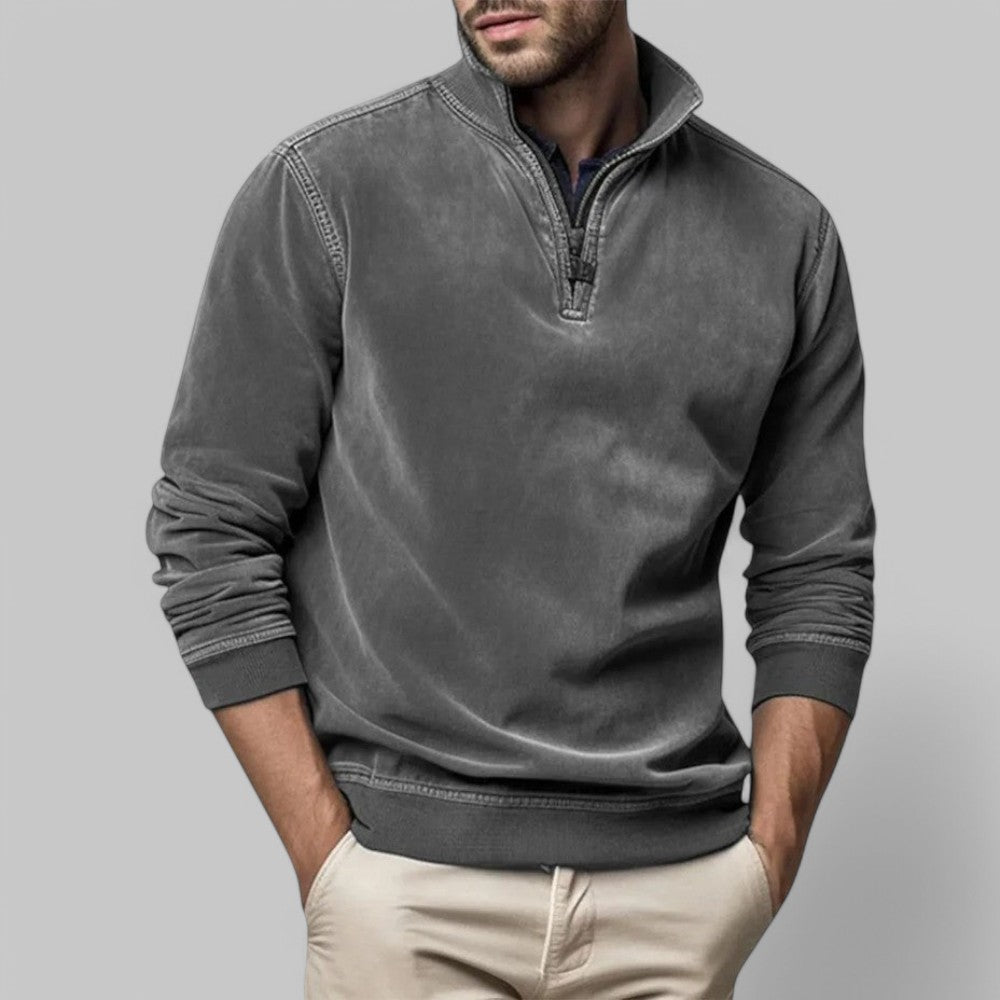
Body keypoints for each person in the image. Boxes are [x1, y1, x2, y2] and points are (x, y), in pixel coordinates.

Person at [144, 1, 876, 996]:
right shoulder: (325, 190)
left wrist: (766, 858)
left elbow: (818, 568)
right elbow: (209, 526)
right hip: (404, 889)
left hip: (674, 895)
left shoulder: (783, 233)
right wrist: (329, 861)